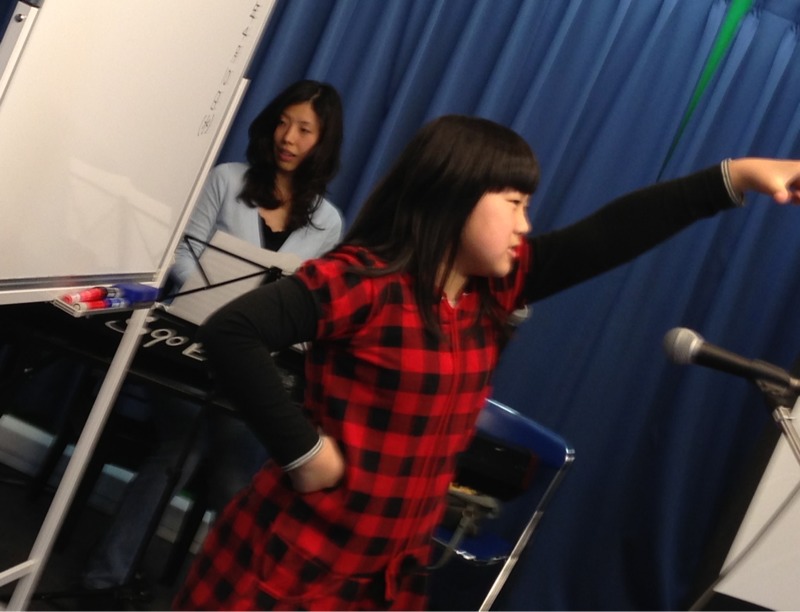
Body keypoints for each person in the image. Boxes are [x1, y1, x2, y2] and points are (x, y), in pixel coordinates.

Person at [172, 114, 800, 611]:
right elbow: (233, 332)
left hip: (383, 572)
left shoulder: (492, 290)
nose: (526, 224)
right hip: (295, 566)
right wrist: (304, 453)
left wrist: (737, 177)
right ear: (454, 198)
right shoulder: (363, 280)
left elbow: (613, 233)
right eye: (515, 202)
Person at [79, 79, 345, 595]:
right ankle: (108, 581)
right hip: (188, 342)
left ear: (323, 141)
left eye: (304, 129)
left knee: (236, 467)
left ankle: (218, 594)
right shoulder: (228, 179)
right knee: (183, 447)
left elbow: (307, 304)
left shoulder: (328, 223)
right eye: (283, 123)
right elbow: (183, 256)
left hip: (253, 366)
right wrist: (225, 307)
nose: (288, 138)